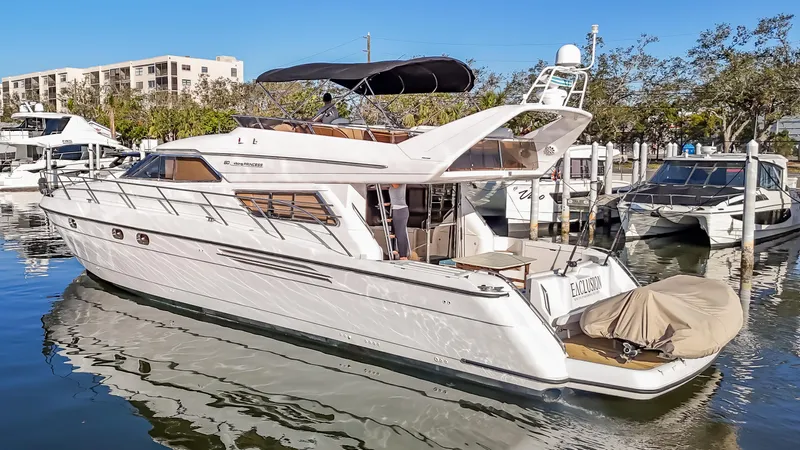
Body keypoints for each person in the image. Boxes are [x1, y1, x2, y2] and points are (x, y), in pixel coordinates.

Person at [388, 183, 410, 260]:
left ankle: (403, 255)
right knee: (398, 233)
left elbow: (395, 184)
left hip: (400, 210)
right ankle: (401, 254)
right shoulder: (393, 183)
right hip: (396, 209)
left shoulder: (399, 182)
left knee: (400, 234)